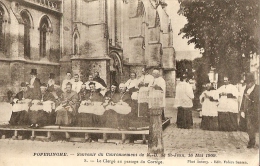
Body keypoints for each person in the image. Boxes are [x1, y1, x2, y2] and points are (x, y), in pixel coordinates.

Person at [240, 73, 259, 148]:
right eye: (246, 83)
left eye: (249, 83)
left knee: (254, 127)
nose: (247, 85)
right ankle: (251, 141)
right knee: (249, 127)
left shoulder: (258, 89)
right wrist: (242, 110)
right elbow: (243, 100)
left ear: (252, 82)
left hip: (256, 111)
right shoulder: (246, 89)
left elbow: (257, 101)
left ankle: (252, 141)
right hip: (248, 111)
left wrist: (250, 99)